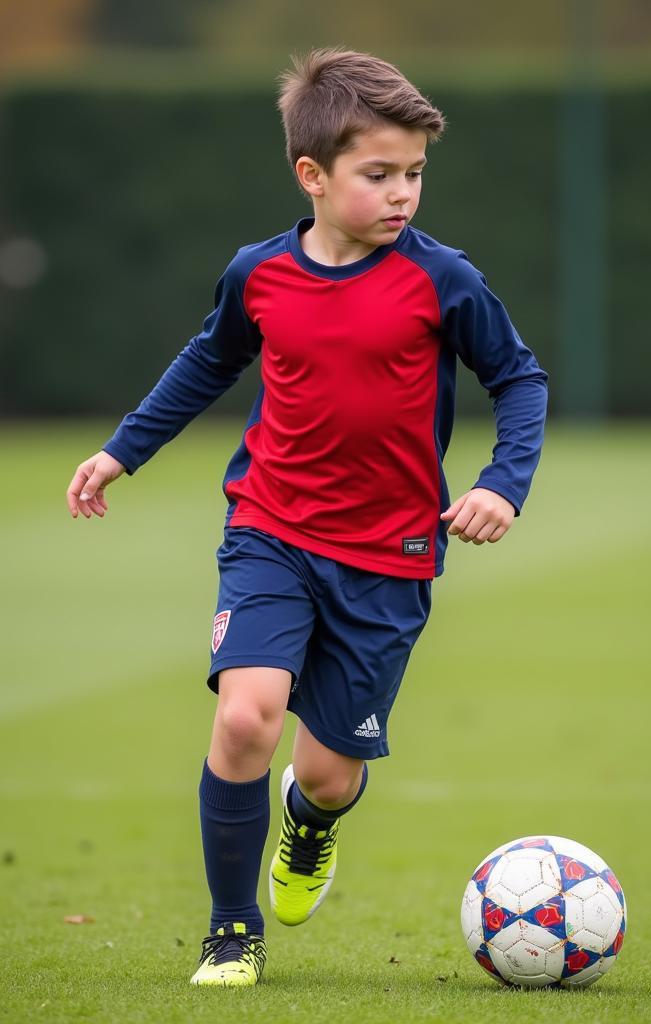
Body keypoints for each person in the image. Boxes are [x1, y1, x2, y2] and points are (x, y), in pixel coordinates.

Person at [65, 47, 548, 987]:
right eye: (379, 175)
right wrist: (122, 450)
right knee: (246, 718)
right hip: (271, 530)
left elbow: (519, 378)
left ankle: (311, 824)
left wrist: (501, 482)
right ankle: (232, 929)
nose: (403, 192)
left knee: (327, 775)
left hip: (392, 555)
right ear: (312, 175)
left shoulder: (443, 279)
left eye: (414, 173)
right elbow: (208, 363)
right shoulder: (259, 275)